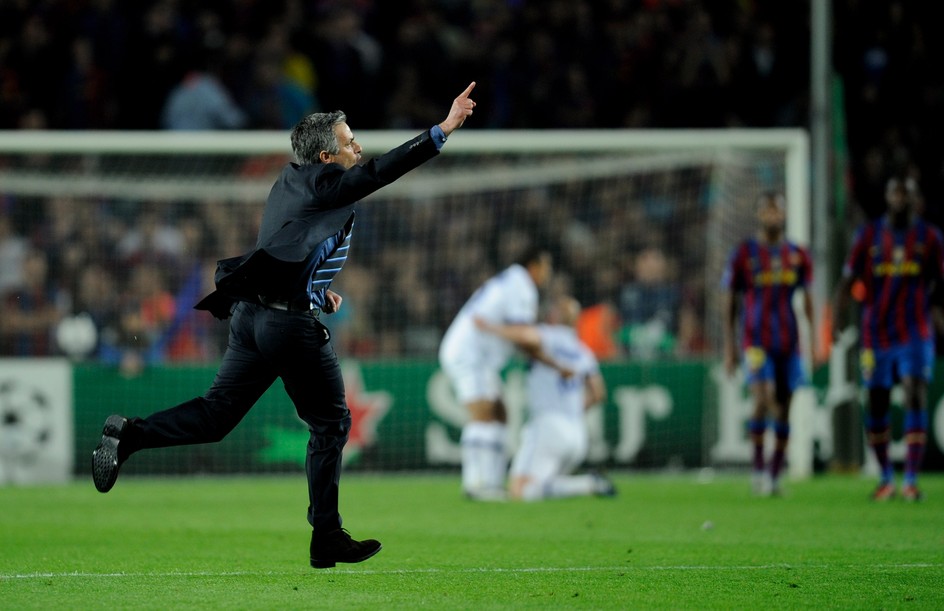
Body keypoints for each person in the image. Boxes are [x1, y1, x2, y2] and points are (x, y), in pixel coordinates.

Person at [91, 82, 479, 568]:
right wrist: (441, 130)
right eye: (349, 141)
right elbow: (379, 173)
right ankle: (327, 535)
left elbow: (287, 246)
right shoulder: (325, 181)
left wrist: (316, 290)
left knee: (216, 416)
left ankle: (130, 435)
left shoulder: (290, 181)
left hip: (252, 317)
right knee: (331, 423)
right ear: (325, 154)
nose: (357, 148)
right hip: (286, 326)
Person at [834, 176, 944, 502]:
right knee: (876, 402)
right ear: (887, 196)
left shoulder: (930, 237)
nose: (900, 198)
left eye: (906, 193)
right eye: (895, 192)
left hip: (916, 332)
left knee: (914, 392)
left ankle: (910, 479)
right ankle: (885, 477)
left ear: (915, 198)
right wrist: (837, 318)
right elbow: (847, 280)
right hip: (875, 334)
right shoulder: (868, 234)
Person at [438, 247, 555, 501]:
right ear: (533, 265)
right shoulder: (521, 285)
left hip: (480, 358)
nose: (548, 273)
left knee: (500, 413)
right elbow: (523, 334)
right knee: (483, 413)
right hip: (470, 354)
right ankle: (475, 484)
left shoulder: (511, 280)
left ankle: (491, 481)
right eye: (546, 267)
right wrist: (548, 356)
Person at [475, 296, 614, 501]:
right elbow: (599, 393)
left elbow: (525, 337)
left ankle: (586, 484)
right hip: (577, 433)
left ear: (554, 316)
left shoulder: (547, 336)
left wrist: (491, 328)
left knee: (521, 490)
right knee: (542, 485)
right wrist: (574, 409)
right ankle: (588, 484)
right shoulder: (583, 352)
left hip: (548, 426)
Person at [722, 191, 814, 496]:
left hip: (789, 341)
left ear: (785, 215)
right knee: (763, 398)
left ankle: (775, 475)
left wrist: (814, 341)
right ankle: (759, 471)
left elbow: (808, 300)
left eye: (777, 211)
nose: (772, 216)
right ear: (758, 214)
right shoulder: (744, 254)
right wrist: (729, 346)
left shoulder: (798, 254)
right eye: (767, 211)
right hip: (755, 340)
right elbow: (731, 300)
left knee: (785, 408)